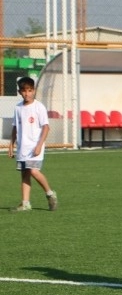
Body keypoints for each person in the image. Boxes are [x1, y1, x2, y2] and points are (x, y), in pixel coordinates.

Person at [8, 76, 58, 212]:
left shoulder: (39, 107)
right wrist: (11, 145)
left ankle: (50, 194)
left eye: (30, 90)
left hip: (35, 147)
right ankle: (25, 203)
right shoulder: (18, 108)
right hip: (22, 147)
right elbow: (15, 127)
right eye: (24, 91)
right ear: (20, 92)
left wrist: (39, 145)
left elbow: (46, 127)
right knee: (25, 173)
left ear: (34, 91)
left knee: (34, 171)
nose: (27, 93)